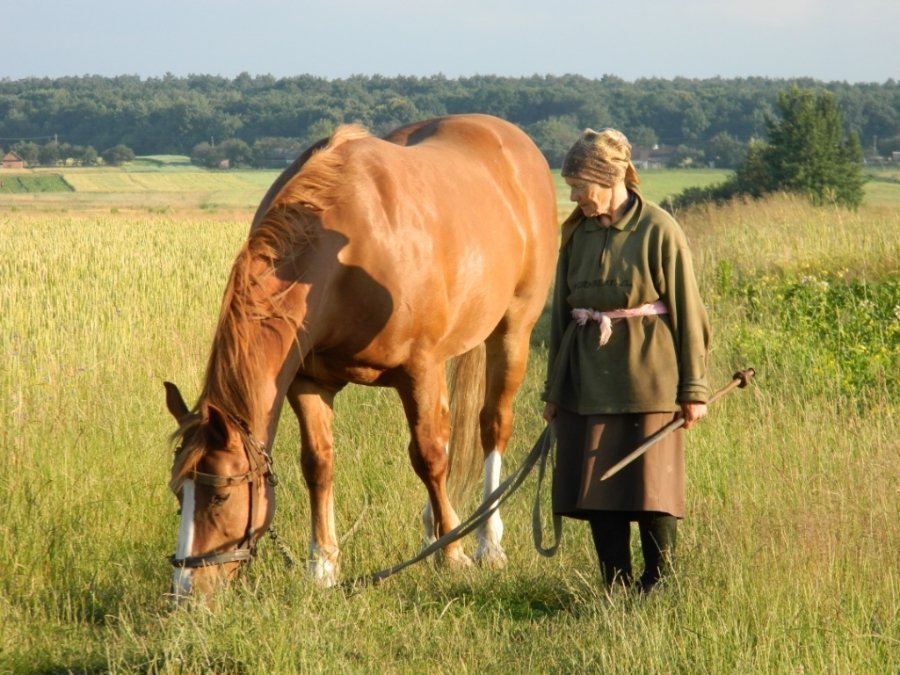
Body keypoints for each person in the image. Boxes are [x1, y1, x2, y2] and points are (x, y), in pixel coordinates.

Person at [542, 128, 711, 593]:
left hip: (649, 381)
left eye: (580, 186)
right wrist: (554, 391)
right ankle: (615, 586)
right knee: (598, 492)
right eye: (571, 187)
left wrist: (694, 390)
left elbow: (689, 313)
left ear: (609, 179)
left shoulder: (659, 229)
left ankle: (658, 585)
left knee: (652, 489)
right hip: (585, 384)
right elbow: (560, 317)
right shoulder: (576, 233)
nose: (574, 197)